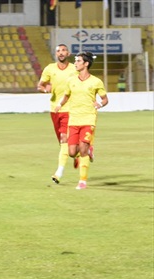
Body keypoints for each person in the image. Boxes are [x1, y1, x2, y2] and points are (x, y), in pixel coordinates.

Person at [54, 52, 108, 190]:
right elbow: (66, 96)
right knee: (72, 152)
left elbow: (105, 99)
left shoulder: (96, 82)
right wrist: (60, 104)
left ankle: (82, 181)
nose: (75, 63)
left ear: (86, 64)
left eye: (78, 61)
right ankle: (88, 150)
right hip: (74, 119)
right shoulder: (71, 81)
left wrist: (99, 104)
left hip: (88, 119)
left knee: (82, 148)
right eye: (76, 61)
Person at [37, 44, 78, 185]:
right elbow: (40, 85)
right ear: (56, 54)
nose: (61, 53)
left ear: (68, 53)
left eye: (63, 50)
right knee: (63, 144)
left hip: (70, 109)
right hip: (55, 110)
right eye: (58, 51)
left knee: (64, 139)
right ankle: (78, 153)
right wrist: (45, 89)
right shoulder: (49, 68)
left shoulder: (75, 68)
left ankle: (58, 172)